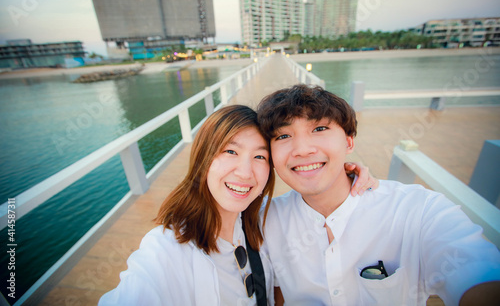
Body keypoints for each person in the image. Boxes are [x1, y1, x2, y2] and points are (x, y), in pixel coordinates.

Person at [99, 104, 376, 305]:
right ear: (203, 158)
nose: (245, 173)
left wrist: (342, 172)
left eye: (260, 157)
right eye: (230, 151)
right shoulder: (166, 250)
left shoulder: (263, 220)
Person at [256, 84, 500, 306]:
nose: (303, 150)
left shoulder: (418, 210)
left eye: (319, 129)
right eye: (284, 136)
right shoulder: (265, 221)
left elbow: (474, 270)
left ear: (349, 142)